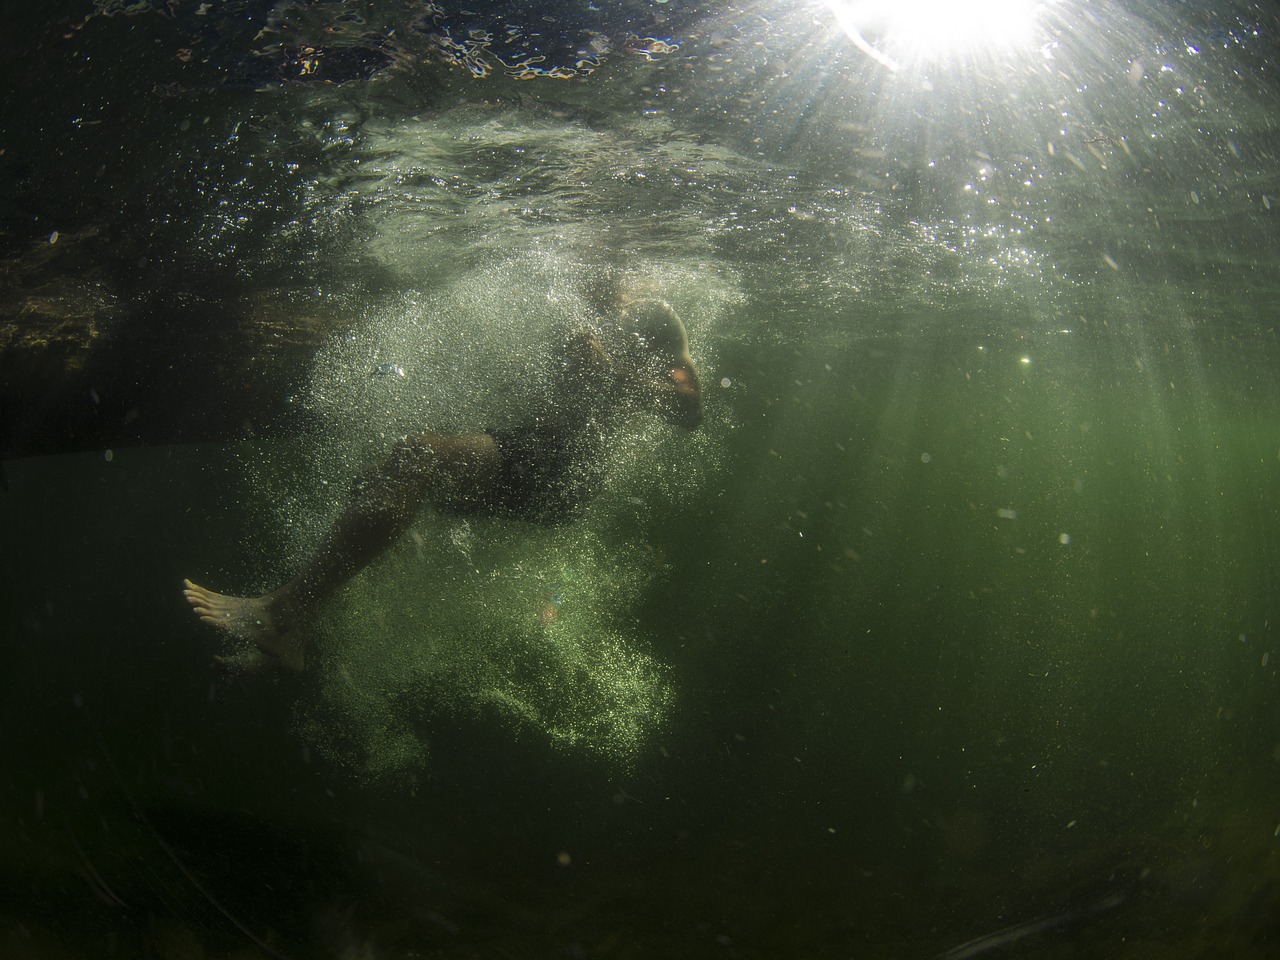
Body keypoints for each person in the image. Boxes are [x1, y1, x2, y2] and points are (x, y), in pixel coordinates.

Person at [183, 298, 704, 673]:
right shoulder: (602, 305)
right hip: (530, 452)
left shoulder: (663, 338)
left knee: (417, 459)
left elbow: (688, 407)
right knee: (379, 480)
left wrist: (609, 370)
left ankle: (283, 610)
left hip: (558, 474)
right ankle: (297, 635)